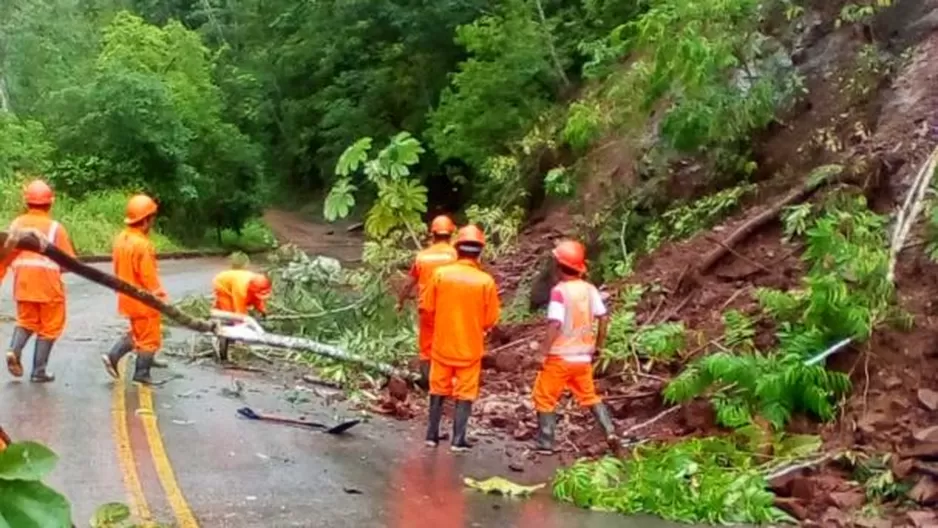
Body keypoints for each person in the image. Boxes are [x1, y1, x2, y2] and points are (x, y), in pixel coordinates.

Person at [532, 239, 618, 454]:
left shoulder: (560, 292)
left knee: (544, 396)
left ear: (559, 266)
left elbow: (555, 323)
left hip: (560, 357)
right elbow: (604, 317)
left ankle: (546, 442)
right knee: (589, 396)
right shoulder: (589, 289)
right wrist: (599, 344)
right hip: (583, 357)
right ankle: (610, 431)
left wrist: (543, 351)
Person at [422, 225, 500, 452]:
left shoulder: (440, 275)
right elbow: (490, 320)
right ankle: (458, 440)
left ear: (457, 249)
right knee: (465, 393)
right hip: (469, 349)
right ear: (480, 251)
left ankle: (431, 435)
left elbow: (427, 308)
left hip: (442, 346)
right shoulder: (485, 282)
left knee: (437, 389)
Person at [0, 180, 76, 382]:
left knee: (26, 321)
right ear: (50, 203)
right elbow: (68, 262)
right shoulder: (55, 228)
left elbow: (6, 254)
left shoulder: (16, 224)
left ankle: (13, 350)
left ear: (27, 202)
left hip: (23, 282)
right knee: (50, 326)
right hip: (48, 284)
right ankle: (39, 371)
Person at [100, 194, 168, 385]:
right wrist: (158, 295)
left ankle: (113, 355)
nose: (153, 222)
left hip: (126, 297)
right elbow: (148, 276)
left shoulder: (121, 239)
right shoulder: (142, 245)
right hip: (144, 300)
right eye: (152, 218)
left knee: (138, 332)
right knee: (149, 338)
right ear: (145, 220)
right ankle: (142, 374)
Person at [397, 215, 457, 389]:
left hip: (427, 308)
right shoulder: (457, 255)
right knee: (448, 342)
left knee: (426, 346)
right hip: (450, 308)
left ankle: (427, 381)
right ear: (451, 234)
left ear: (433, 234)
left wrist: (400, 302)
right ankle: (446, 380)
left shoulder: (422, 257)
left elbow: (409, 283)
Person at [212, 267, 272, 361]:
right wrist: (242, 324)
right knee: (230, 313)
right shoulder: (240, 288)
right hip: (223, 284)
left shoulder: (258, 284)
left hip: (238, 283)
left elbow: (257, 299)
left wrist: (263, 310)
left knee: (247, 303)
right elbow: (239, 310)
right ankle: (231, 338)